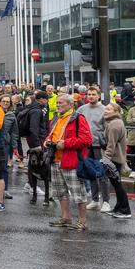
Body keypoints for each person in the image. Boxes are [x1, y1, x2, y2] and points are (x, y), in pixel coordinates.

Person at [47, 94, 93, 231]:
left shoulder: (78, 118)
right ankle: (65, 218)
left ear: (70, 104)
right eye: (57, 103)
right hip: (55, 159)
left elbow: (87, 140)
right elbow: (53, 134)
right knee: (60, 192)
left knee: (78, 193)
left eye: (61, 103)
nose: (58, 105)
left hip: (71, 160)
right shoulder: (56, 117)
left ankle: (82, 221)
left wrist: (66, 144)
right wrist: (48, 141)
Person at [77, 88, 109, 213]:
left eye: (93, 94)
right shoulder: (82, 109)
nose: (90, 96)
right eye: (89, 94)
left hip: (99, 146)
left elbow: (107, 129)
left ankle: (105, 201)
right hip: (85, 146)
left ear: (98, 96)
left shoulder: (104, 109)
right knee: (90, 173)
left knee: (102, 174)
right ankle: (95, 200)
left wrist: (104, 142)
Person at [21, 91, 51, 205]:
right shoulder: (36, 110)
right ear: (42, 99)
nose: (47, 102)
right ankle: (31, 185)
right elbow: (34, 128)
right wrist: (38, 144)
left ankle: (31, 184)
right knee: (37, 163)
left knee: (37, 163)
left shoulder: (34, 108)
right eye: (46, 100)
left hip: (36, 138)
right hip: (36, 140)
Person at [102, 102, 131, 218]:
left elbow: (111, 145)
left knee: (117, 184)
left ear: (116, 112)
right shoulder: (115, 122)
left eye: (108, 109)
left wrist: (106, 160)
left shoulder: (114, 124)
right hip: (115, 158)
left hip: (114, 159)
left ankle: (125, 209)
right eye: (105, 109)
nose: (105, 111)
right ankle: (119, 207)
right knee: (116, 183)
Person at [0, 95, 18, 201]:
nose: (5, 103)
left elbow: (14, 133)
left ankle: (5, 190)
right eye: (3, 101)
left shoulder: (11, 115)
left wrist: (15, 147)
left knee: (4, 167)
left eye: (8, 101)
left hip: (5, 143)